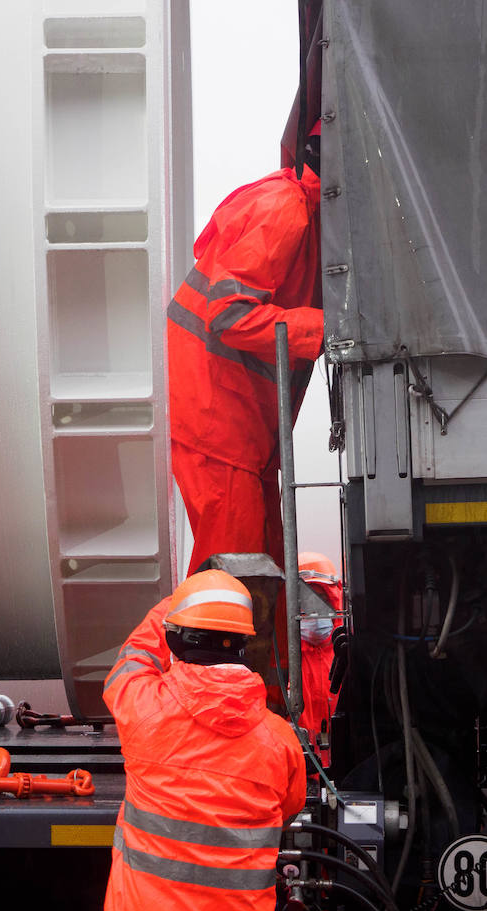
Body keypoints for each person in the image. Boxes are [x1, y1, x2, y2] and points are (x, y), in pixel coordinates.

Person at [98, 569, 306, 911]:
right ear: (243, 646)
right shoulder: (279, 740)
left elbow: (130, 659)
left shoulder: (142, 709)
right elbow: (290, 806)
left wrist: (179, 600)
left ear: (177, 638)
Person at [169, 126, 324, 576]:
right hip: (219, 426)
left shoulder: (304, 216)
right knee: (230, 594)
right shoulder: (287, 209)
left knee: (260, 580)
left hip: (241, 436)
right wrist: (322, 327)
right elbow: (229, 314)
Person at [296, 551, 343, 766]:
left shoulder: (348, 655)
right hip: (298, 777)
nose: (314, 612)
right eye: (305, 602)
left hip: (345, 774)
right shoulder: (282, 662)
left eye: (321, 599)